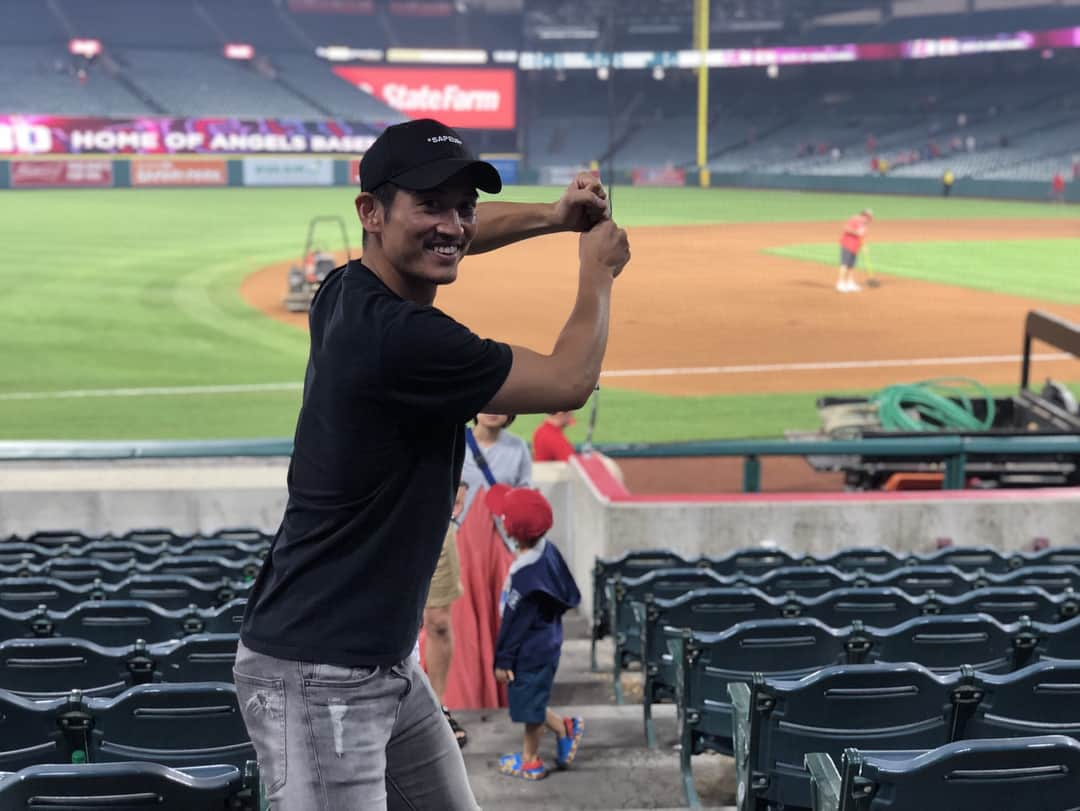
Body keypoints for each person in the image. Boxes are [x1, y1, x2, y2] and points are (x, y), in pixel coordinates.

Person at [234, 117, 629, 810]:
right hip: (320, 670)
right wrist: (596, 268)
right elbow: (569, 379)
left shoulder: (344, 290)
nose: (452, 223)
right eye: (429, 203)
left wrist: (552, 215)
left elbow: (448, 239)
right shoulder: (404, 341)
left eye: (463, 204)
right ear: (371, 213)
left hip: (378, 658)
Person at [488, 485, 583, 781]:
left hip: (528, 652)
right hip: (548, 641)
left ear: (512, 532)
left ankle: (530, 760)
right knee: (533, 698)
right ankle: (564, 727)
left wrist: (503, 661)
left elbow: (514, 625)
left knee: (528, 707)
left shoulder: (524, 577)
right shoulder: (548, 551)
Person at [423, 482, 468, 747]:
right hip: (382, 504)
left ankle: (437, 709)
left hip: (434, 511)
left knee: (438, 622)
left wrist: (458, 479)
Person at [461, 413, 532, 516]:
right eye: (488, 405)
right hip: (459, 526)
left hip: (503, 527)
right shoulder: (458, 444)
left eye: (501, 406)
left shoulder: (518, 446)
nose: (493, 412)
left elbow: (524, 491)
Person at [837, 209, 873, 293]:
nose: (869, 219)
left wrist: (864, 246)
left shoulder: (864, 224)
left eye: (869, 218)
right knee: (844, 264)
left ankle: (850, 283)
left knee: (851, 265)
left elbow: (862, 236)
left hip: (855, 247)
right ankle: (840, 283)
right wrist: (856, 232)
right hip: (847, 245)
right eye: (868, 217)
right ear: (863, 215)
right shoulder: (855, 219)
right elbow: (846, 228)